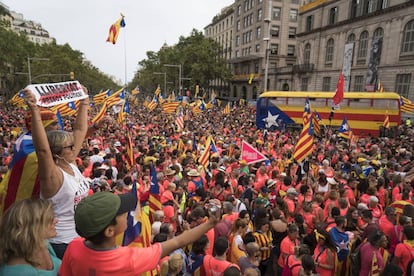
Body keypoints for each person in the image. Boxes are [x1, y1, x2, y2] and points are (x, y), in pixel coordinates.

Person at [59, 191, 220, 275]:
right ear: (109, 231)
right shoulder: (130, 259)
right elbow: (178, 242)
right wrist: (211, 223)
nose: (128, 214)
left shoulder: (73, 247)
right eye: (122, 213)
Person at [24, 88, 91, 259]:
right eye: (69, 146)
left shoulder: (70, 162)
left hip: (78, 237)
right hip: (61, 243)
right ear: (57, 153)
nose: (75, 147)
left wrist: (84, 101)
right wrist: (34, 110)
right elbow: (42, 150)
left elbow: (80, 130)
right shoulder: (52, 176)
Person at [0, 198, 61, 275]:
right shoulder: (16, 272)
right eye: (50, 219)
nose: (56, 221)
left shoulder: (43, 243)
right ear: (33, 227)